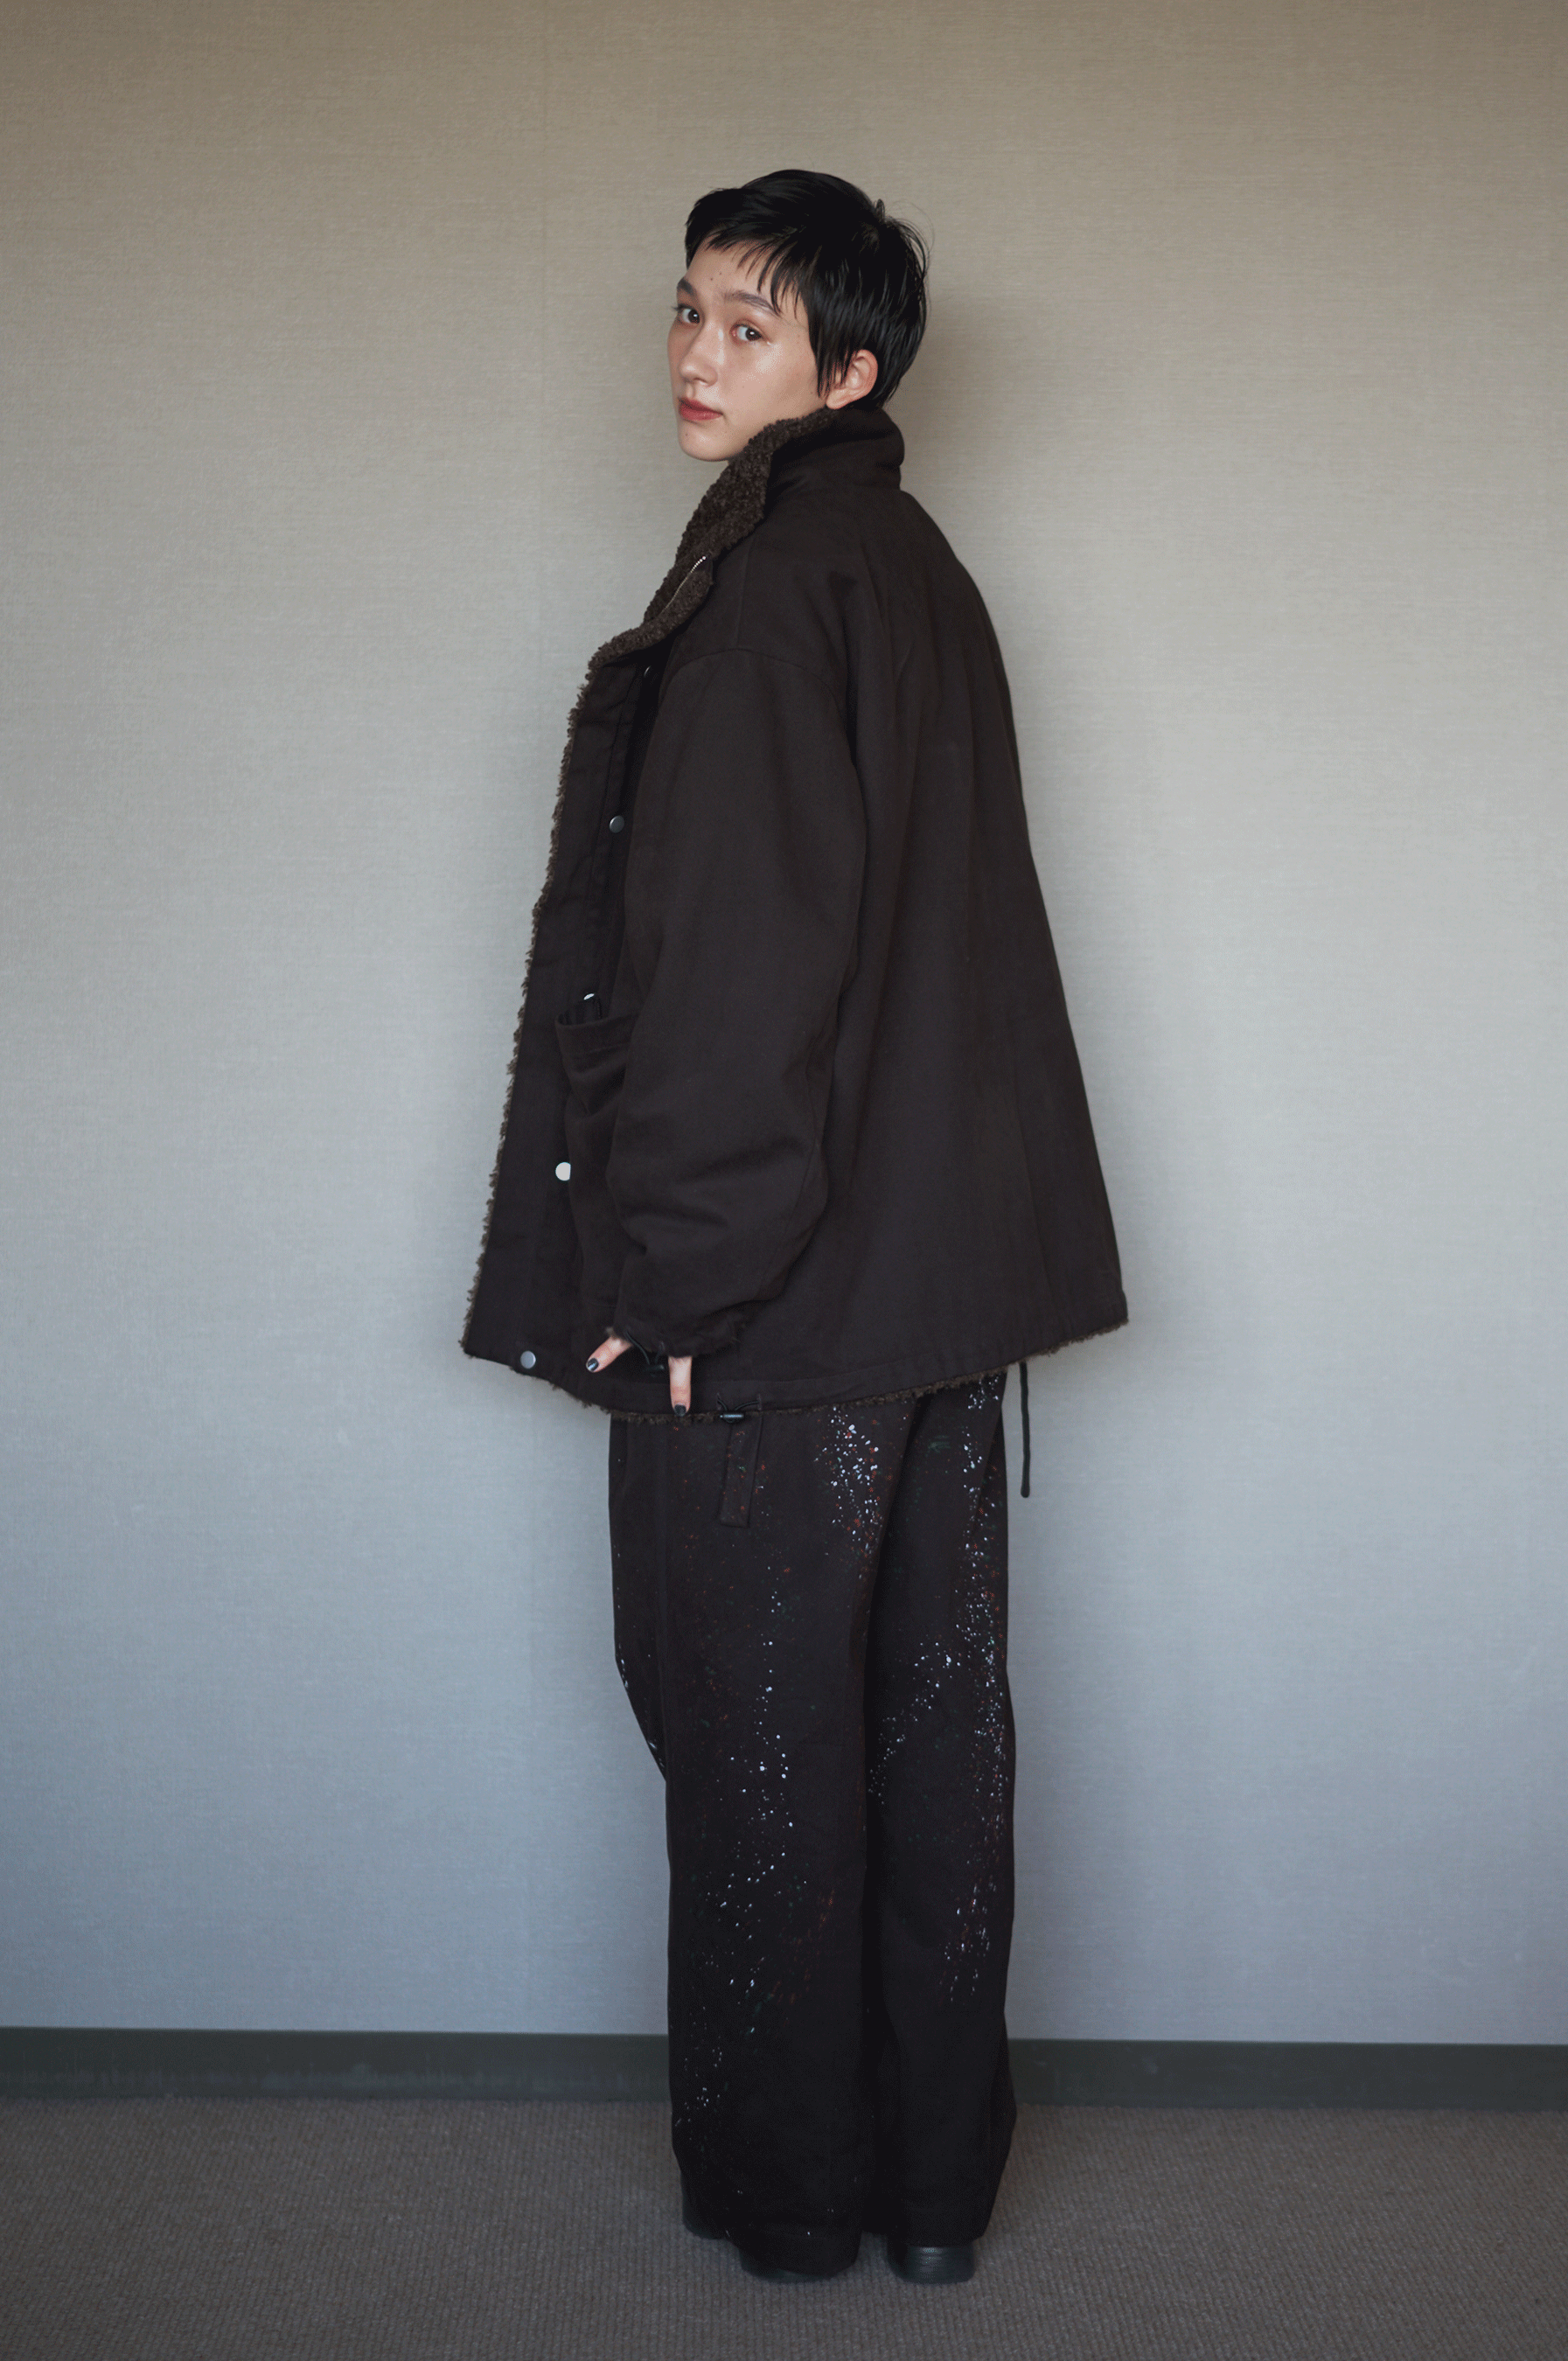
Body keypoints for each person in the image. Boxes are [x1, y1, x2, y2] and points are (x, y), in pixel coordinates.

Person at [464, 169, 1125, 2285]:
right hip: (936, 1299)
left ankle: (794, 2202)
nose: (693, 353)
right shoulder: (918, 573)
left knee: (762, 1763)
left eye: (747, 326)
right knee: (931, 1748)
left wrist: (678, 1280)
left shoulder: (764, 595)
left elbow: (741, 980)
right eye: (687, 310)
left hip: (776, 1310)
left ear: (846, 372)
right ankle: (931, 2197)